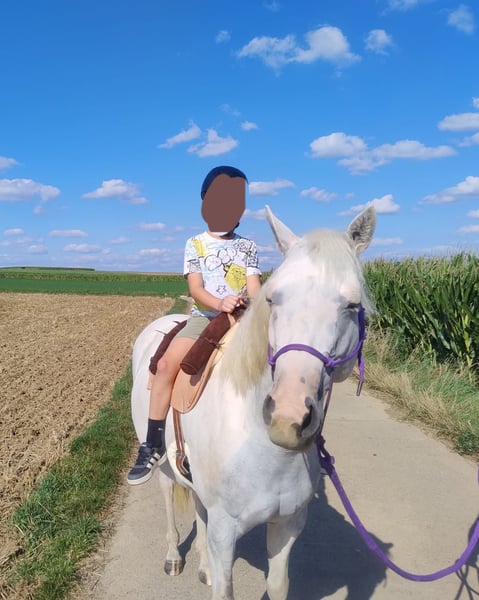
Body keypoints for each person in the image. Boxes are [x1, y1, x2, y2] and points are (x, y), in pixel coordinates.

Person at [127, 165, 262, 485]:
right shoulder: (195, 244)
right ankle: (152, 445)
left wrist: (261, 308)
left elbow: (254, 287)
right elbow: (196, 290)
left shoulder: (248, 246)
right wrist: (220, 304)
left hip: (243, 318)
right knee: (165, 366)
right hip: (206, 319)